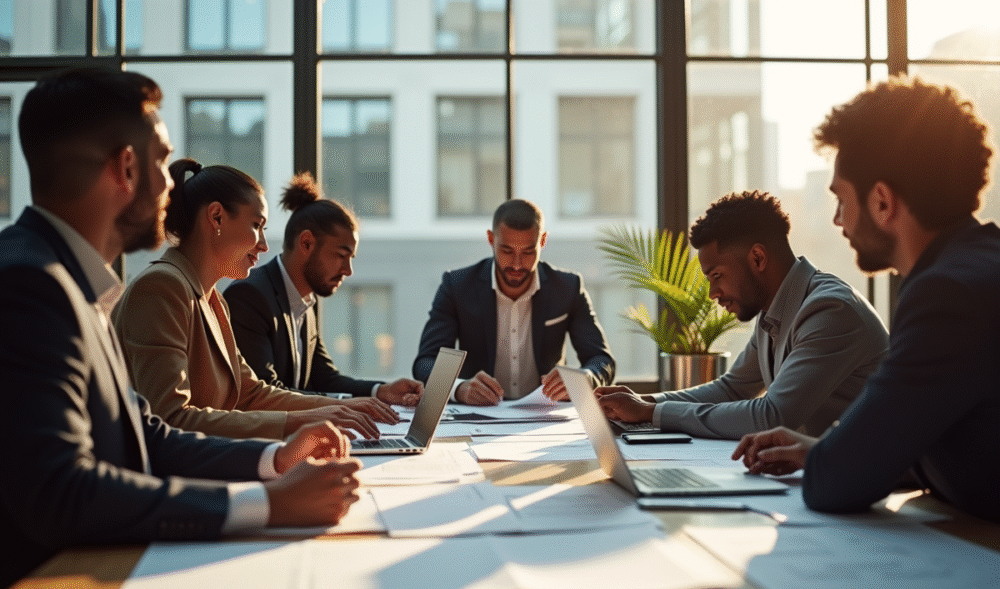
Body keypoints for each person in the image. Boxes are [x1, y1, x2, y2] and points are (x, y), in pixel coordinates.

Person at [0, 67, 362, 589]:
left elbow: (144, 434)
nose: (173, 184)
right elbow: (60, 490)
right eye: (162, 159)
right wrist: (266, 502)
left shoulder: (69, 278)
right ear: (126, 167)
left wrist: (274, 460)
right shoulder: (31, 285)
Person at [733, 76, 1000, 522]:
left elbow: (832, 485)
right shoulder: (978, 268)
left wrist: (828, 460)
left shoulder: (947, 296)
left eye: (840, 198)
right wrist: (823, 450)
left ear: (881, 202)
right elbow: (951, 435)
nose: (837, 219)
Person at [113, 158, 399, 441]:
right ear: (216, 217)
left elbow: (252, 393)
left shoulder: (212, 301)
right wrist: (300, 421)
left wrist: (340, 407)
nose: (263, 244)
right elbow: (171, 419)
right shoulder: (162, 287)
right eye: (256, 225)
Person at [595, 191, 888, 439]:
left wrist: (651, 412)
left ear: (758, 258)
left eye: (717, 275)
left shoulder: (829, 310)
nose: (712, 293)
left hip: (867, 486)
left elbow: (772, 416)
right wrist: (642, 401)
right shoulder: (773, 312)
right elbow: (732, 388)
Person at [224, 173, 424, 406]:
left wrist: (380, 391)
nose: (348, 271)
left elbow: (325, 379)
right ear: (306, 243)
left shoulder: (304, 301)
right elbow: (265, 394)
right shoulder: (249, 297)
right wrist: (346, 405)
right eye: (341, 255)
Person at [413, 198, 615, 405]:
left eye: (528, 252)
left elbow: (601, 361)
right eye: (507, 251)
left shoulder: (568, 287)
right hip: (479, 416)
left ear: (543, 241)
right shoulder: (457, 287)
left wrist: (581, 380)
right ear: (491, 239)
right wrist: (458, 388)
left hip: (544, 416)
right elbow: (426, 363)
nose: (517, 264)